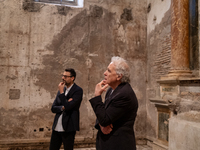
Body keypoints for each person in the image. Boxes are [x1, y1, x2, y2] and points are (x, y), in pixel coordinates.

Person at [89, 56, 138, 150]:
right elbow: (102, 113)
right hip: (107, 142)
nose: (105, 73)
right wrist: (101, 124)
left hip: (118, 144)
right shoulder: (111, 90)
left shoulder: (124, 94)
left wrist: (97, 96)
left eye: (109, 71)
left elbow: (104, 119)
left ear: (119, 76)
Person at [49, 68, 83, 150]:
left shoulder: (78, 90)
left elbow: (69, 107)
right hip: (57, 126)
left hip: (68, 126)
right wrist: (63, 107)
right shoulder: (62, 89)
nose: (63, 78)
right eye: (63, 76)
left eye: (65, 76)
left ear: (72, 78)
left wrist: (62, 93)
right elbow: (53, 108)